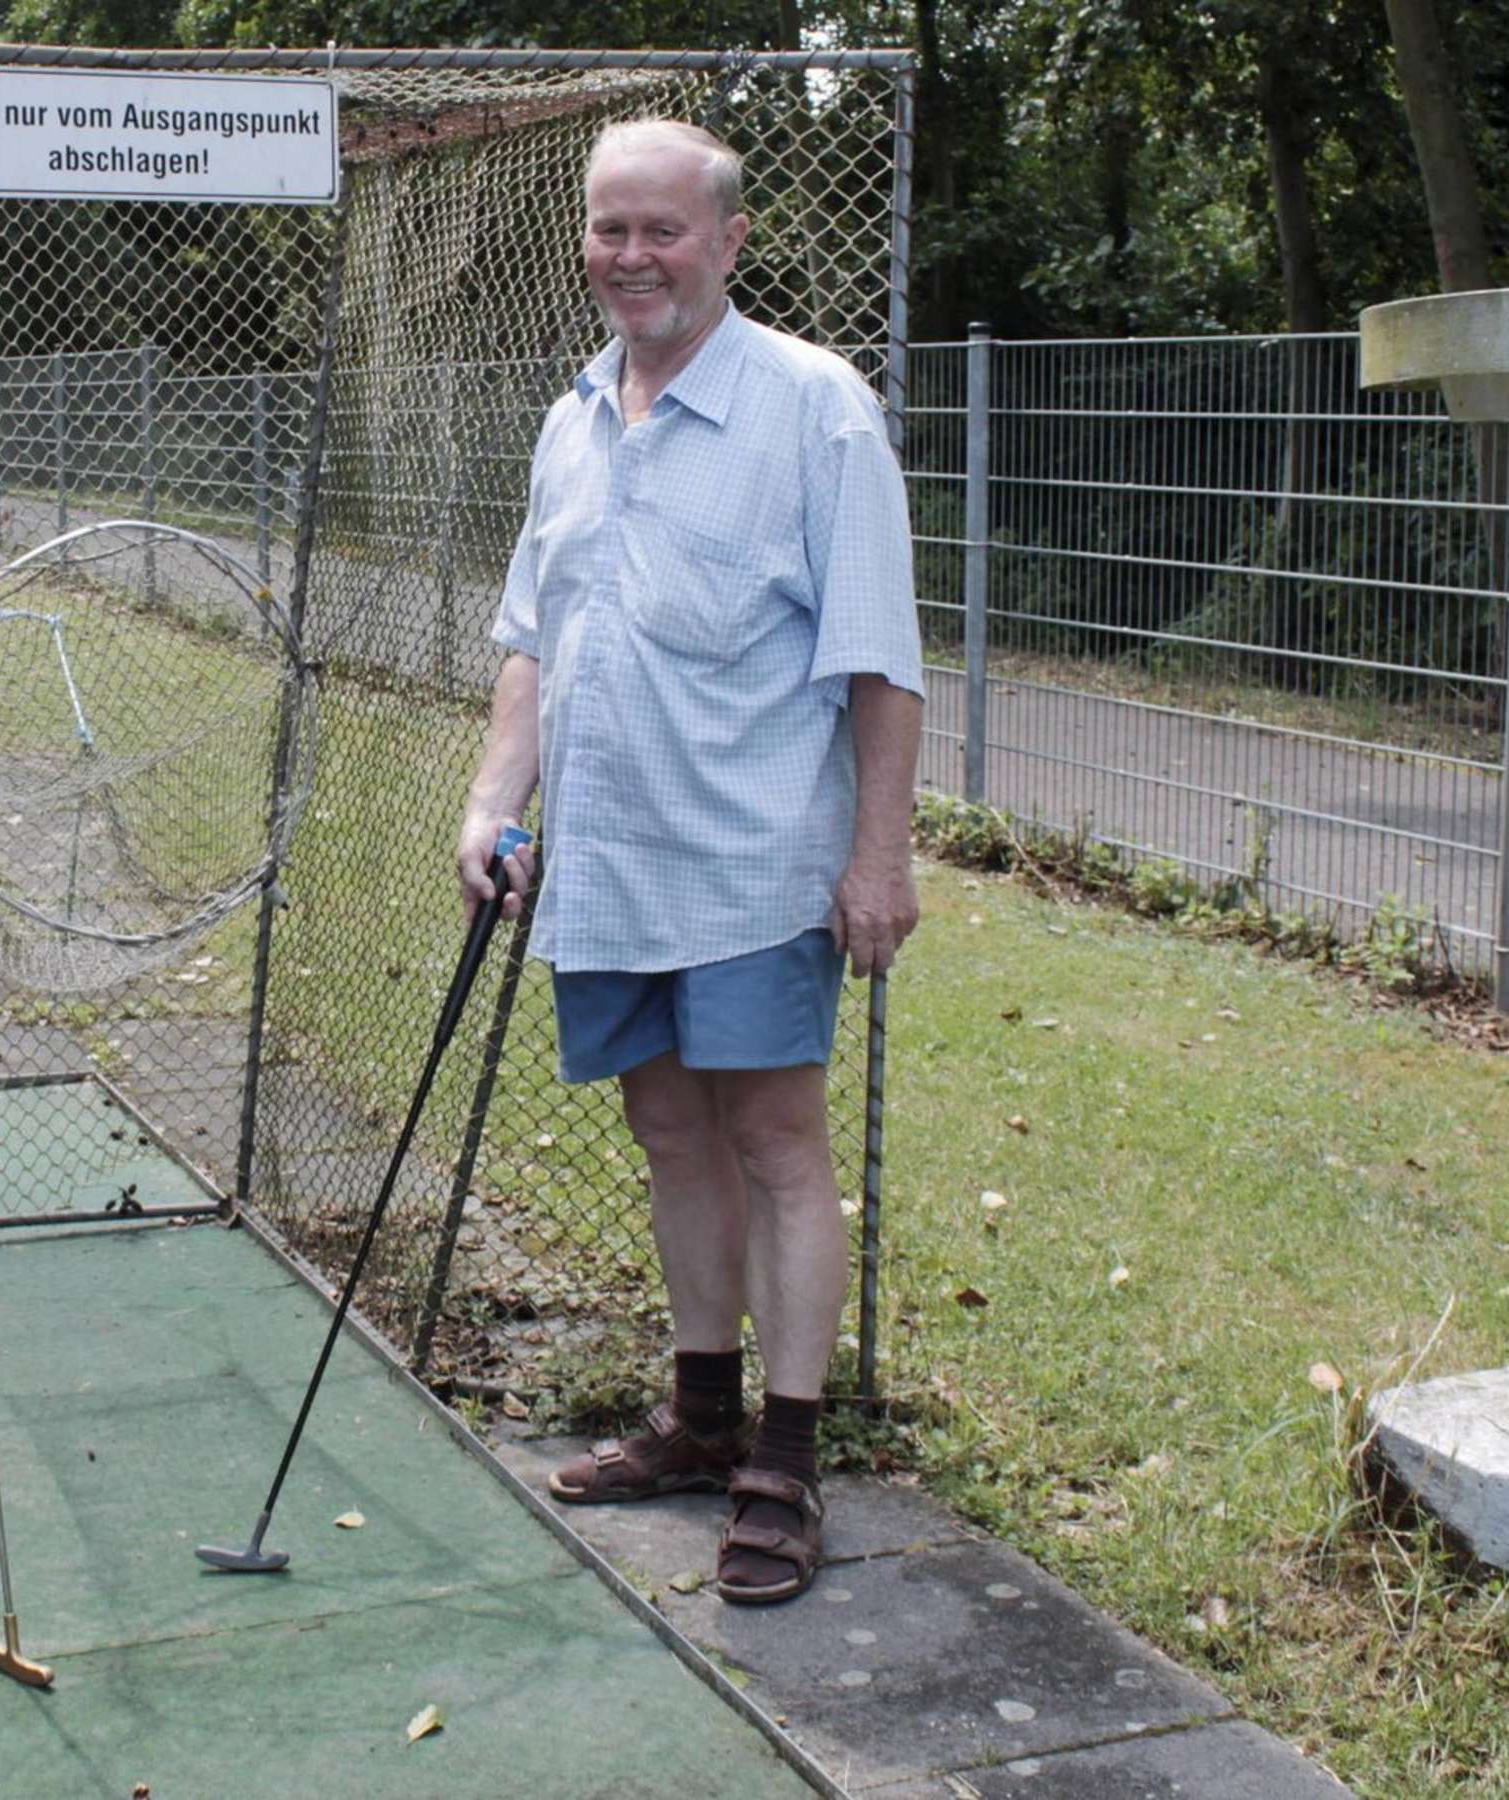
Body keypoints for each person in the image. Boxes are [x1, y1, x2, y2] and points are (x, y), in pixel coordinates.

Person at [456, 119, 923, 1606]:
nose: (633, 258)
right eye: (610, 229)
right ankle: (701, 1413)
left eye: (663, 231)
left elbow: (881, 664)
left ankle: (784, 1461)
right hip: (606, 865)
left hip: (755, 864)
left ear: (726, 240)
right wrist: (491, 804)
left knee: (776, 1143)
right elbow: (536, 634)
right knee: (669, 1134)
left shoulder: (815, 409)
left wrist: (880, 858)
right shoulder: (574, 414)